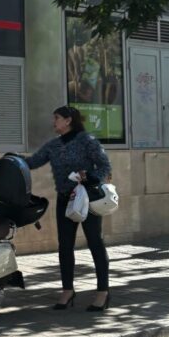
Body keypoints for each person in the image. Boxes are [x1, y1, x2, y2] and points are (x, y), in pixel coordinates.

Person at [25, 105, 112, 313]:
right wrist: (11, 160)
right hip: (65, 200)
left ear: (68, 120)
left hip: (87, 198)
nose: (53, 122)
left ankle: (102, 292)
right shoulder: (53, 145)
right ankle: (67, 290)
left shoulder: (86, 141)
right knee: (64, 246)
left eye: (56, 118)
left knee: (95, 242)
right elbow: (33, 161)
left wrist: (90, 177)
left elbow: (105, 167)